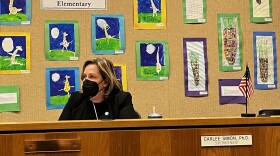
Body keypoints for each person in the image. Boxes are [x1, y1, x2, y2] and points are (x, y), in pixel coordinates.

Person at [59, 57, 140, 120]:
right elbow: (60, 130)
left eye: (92, 76)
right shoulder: (76, 99)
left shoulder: (121, 99)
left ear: (105, 82)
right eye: (84, 76)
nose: (86, 80)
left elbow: (131, 130)